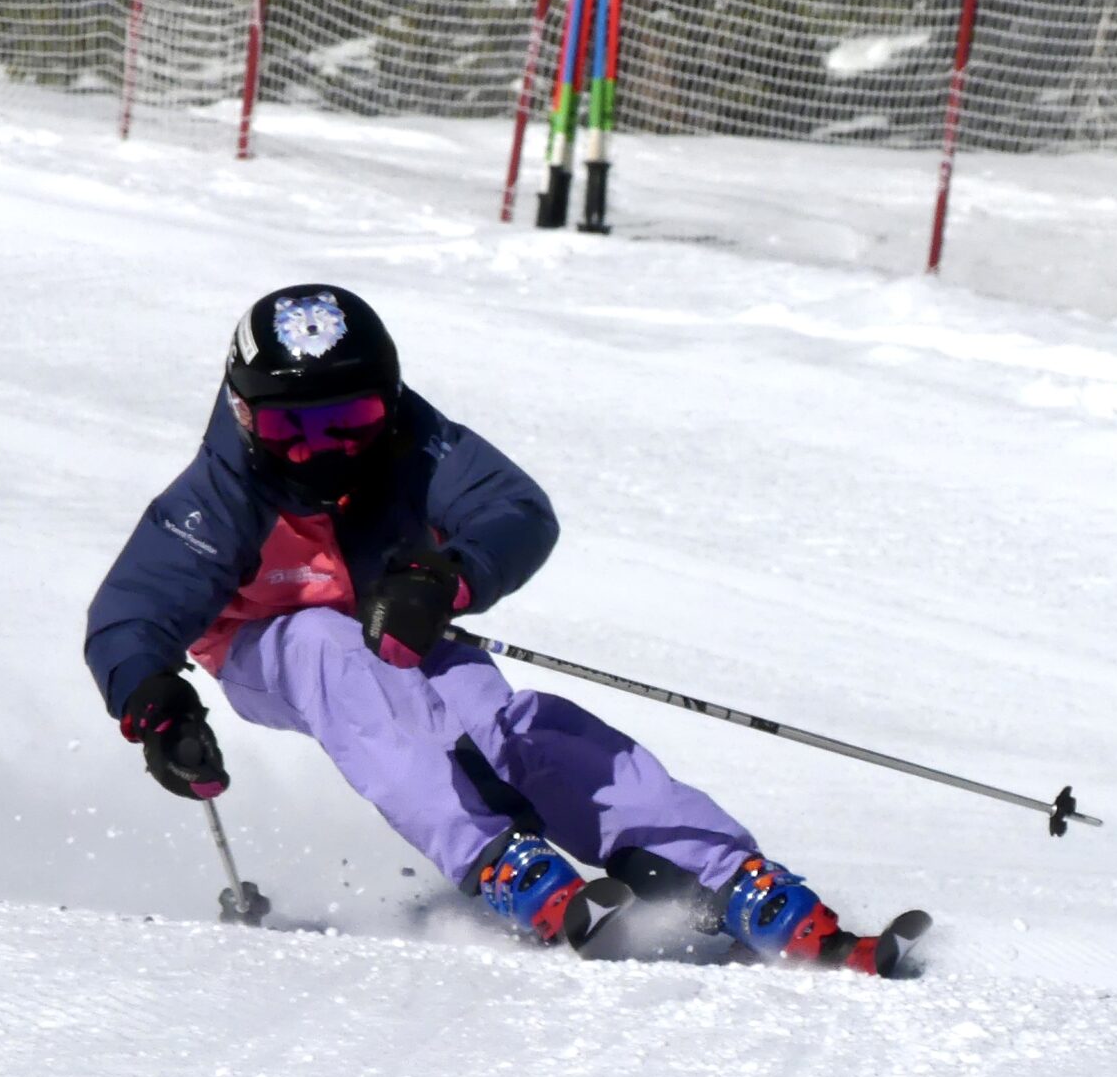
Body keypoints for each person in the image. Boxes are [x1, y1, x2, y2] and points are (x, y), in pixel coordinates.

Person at [83, 283, 889, 972]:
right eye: (292, 430)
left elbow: (516, 510)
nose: (322, 450)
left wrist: (447, 576)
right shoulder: (219, 494)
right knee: (326, 653)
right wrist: (155, 700)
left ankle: (722, 873)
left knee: (496, 717)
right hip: (269, 646)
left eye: (351, 419)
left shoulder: (417, 446)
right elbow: (132, 611)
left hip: (396, 619)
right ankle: (501, 862)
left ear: (388, 401)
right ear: (244, 415)